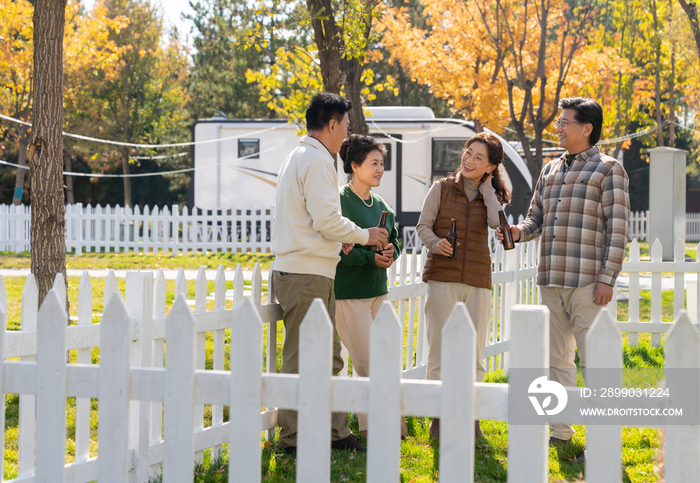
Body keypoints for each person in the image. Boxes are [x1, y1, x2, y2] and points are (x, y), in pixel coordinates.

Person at [497, 97, 630, 456]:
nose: (558, 126)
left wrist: (607, 278)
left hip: (589, 282)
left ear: (586, 128)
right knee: (557, 360)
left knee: (594, 361)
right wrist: (517, 232)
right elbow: (535, 218)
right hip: (551, 278)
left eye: (564, 122)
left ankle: (605, 435)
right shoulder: (550, 169)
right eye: (558, 121)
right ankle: (561, 431)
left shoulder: (609, 169)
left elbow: (618, 231)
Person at [270, 93, 389, 455]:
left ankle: (336, 431)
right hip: (305, 272)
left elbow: (312, 220)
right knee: (303, 357)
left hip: (307, 267)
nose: (347, 133)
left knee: (327, 354)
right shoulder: (319, 160)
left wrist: (339, 243)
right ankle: (292, 439)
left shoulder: (299, 155)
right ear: (333, 124)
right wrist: (363, 235)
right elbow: (326, 219)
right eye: (346, 126)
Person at [417, 132, 512, 441]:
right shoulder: (441, 189)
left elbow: (500, 226)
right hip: (442, 277)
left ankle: (472, 422)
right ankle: (438, 422)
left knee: (475, 356)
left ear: (490, 167)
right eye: (468, 153)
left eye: (478, 158)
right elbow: (423, 226)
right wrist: (436, 243)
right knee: (440, 355)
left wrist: (486, 190)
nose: (469, 160)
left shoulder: (490, 195)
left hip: (477, 280)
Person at [333, 134, 402, 438]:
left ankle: (389, 429)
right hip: (350, 295)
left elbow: (396, 241)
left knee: (385, 361)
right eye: (374, 163)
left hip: (379, 292)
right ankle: (377, 430)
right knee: (368, 364)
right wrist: (367, 258)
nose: (379, 169)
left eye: (382, 164)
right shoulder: (338, 201)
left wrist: (390, 255)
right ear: (355, 165)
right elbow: (335, 250)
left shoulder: (383, 204)